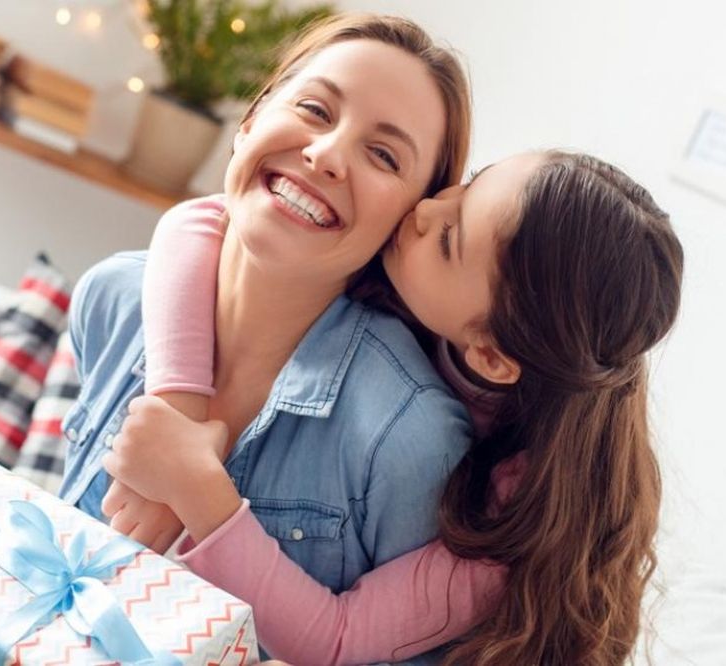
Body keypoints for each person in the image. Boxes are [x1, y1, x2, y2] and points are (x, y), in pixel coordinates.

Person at [0, 12, 474, 654]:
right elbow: (85, 560)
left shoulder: (410, 437)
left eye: (382, 155)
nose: (325, 155)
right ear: (252, 119)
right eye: (315, 109)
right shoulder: (114, 300)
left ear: (410, 222)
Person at [103, 151, 684, 665]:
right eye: (469, 184)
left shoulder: (521, 515)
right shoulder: (416, 282)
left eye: (450, 240)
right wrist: (180, 406)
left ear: (492, 355)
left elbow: (334, 639)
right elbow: (202, 218)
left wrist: (198, 489)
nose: (429, 209)